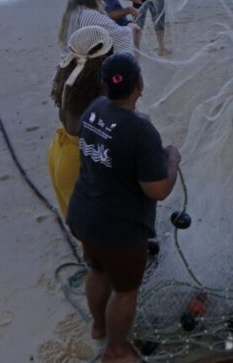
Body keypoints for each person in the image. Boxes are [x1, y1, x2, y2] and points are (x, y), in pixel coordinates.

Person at [66, 53, 181, 359]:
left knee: (97, 270)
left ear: (104, 86)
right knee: (125, 291)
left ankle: (99, 327)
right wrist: (172, 160)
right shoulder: (142, 132)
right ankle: (116, 350)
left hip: (83, 217)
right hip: (119, 232)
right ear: (139, 85)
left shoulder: (93, 108)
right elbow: (157, 190)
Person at [47, 25, 113, 216]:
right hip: (83, 161)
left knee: (77, 219)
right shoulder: (101, 87)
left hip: (60, 152)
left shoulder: (68, 75)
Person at [59, 0, 138, 55]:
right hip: (83, 60)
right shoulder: (91, 15)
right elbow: (119, 35)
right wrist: (129, 28)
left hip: (69, 58)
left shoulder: (73, 10)